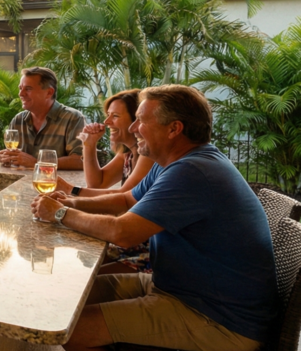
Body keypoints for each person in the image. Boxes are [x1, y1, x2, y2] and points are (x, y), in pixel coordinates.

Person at [32, 85, 275, 351]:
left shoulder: (194, 171)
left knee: (71, 331)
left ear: (174, 129)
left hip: (219, 319)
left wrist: (60, 213)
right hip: (176, 288)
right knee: (70, 296)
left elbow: (123, 232)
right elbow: (126, 200)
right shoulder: (172, 162)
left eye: (142, 121)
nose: (134, 128)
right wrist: (73, 201)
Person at [54, 89, 156, 274]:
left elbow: (122, 198)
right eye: (108, 116)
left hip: (146, 246)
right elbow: (97, 183)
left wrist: (71, 190)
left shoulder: (149, 156)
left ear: (137, 120)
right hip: (132, 240)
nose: (107, 122)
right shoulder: (127, 153)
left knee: (83, 269)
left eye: (115, 116)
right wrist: (89, 144)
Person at [0, 67, 86, 169]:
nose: (21, 94)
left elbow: (81, 160)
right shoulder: (18, 120)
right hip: (21, 182)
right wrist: (6, 158)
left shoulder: (73, 118)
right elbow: (13, 157)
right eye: (20, 88)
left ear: (49, 92)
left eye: (28, 89)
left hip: (56, 183)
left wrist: (38, 162)